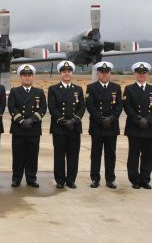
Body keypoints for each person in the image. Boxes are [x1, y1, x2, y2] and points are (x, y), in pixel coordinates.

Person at [123, 62, 152, 189]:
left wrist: (148, 120)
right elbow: (127, 107)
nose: (141, 75)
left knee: (148, 155)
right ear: (135, 74)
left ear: (147, 74)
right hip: (134, 127)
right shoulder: (129, 89)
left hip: (149, 127)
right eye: (139, 73)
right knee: (134, 155)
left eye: (144, 73)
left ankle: (145, 179)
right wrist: (138, 119)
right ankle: (135, 180)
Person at [7, 64, 47, 188]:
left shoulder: (39, 92)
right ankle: (16, 178)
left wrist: (32, 120)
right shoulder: (14, 91)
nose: (27, 77)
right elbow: (12, 107)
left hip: (33, 129)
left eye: (29, 75)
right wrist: (21, 121)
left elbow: (43, 109)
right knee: (18, 155)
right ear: (21, 77)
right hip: (19, 129)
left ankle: (31, 178)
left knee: (32, 155)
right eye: (24, 75)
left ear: (33, 77)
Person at [85, 61, 123, 189]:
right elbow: (90, 106)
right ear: (98, 73)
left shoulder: (116, 88)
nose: (105, 74)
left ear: (110, 73)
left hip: (111, 126)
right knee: (96, 154)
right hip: (97, 125)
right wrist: (101, 119)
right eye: (102, 72)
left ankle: (110, 179)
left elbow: (119, 106)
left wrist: (111, 118)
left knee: (111, 154)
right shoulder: (91, 87)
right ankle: (95, 179)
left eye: (107, 72)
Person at [48, 60, 85, 189]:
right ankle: (59, 180)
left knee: (73, 155)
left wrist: (74, 120)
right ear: (60, 73)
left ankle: (70, 180)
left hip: (74, 127)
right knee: (59, 155)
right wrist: (64, 121)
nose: (66, 73)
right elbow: (52, 108)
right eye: (64, 72)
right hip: (59, 128)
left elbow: (82, 107)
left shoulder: (78, 89)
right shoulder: (53, 89)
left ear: (72, 73)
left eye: (69, 71)